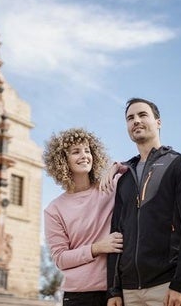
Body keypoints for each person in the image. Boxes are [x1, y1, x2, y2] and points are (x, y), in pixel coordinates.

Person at [106, 98, 181, 306]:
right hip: (129, 292)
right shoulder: (124, 179)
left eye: (143, 115)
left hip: (169, 287)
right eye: (130, 118)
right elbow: (116, 234)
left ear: (158, 122)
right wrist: (113, 290)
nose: (136, 121)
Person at [44, 128, 124, 306]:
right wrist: (97, 248)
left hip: (115, 291)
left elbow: (135, 168)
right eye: (76, 152)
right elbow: (61, 259)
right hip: (78, 296)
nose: (84, 155)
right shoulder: (54, 210)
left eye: (87, 150)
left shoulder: (109, 187)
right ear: (62, 160)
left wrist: (114, 167)